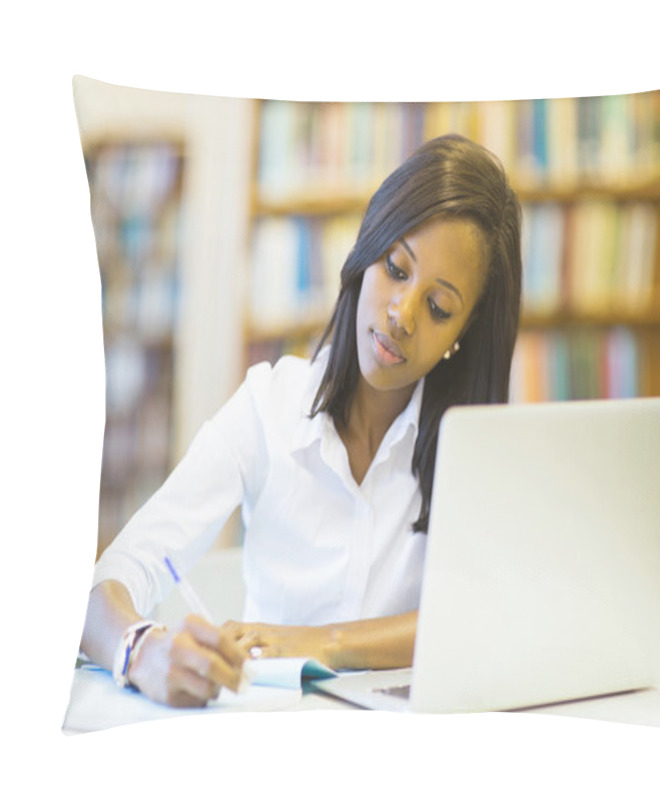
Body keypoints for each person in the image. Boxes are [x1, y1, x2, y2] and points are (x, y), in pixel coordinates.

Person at [79, 133, 523, 708]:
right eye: (395, 268)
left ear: (462, 334)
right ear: (367, 254)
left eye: (439, 307)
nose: (402, 314)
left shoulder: (474, 446)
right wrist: (142, 651)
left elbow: (481, 617)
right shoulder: (268, 406)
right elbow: (106, 587)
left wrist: (323, 644)